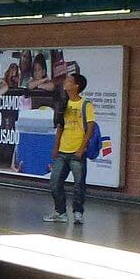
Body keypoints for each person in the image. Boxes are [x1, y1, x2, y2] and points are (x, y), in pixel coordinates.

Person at [43, 72, 95, 224]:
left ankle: (78, 212)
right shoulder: (63, 103)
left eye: (69, 81)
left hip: (77, 151)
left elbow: (90, 128)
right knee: (54, 182)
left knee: (79, 184)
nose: (65, 83)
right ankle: (60, 212)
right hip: (62, 151)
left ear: (76, 86)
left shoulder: (85, 105)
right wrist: (56, 146)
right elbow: (60, 126)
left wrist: (81, 148)